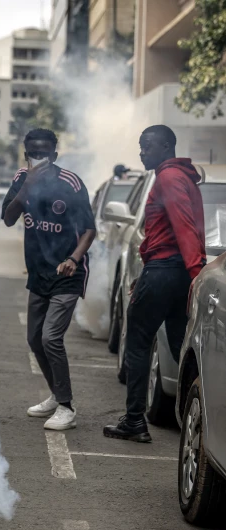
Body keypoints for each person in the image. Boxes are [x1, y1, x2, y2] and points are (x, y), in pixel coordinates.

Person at [103, 125, 206, 443]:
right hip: (170, 271)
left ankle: (135, 420)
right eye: (140, 146)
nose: (141, 152)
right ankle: (210, 410)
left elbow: (185, 228)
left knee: (137, 340)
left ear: (165, 146)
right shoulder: (182, 177)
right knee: (179, 344)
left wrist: (197, 274)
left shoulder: (169, 177)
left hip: (166, 269)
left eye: (147, 146)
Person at [2, 128, 96, 431]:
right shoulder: (21, 178)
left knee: (50, 337)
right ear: (25, 152)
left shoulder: (69, 182)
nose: (37, 156)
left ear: (54, 154)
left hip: (67, 272)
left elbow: (89, 229)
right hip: (39, 273)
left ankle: (67, 407)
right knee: (34, 339)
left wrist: (73, 259)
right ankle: (57, 395)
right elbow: (7, 217)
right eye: (32, 151)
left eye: (43, 152)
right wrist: (26, 187)